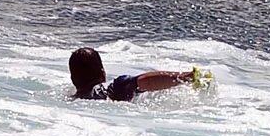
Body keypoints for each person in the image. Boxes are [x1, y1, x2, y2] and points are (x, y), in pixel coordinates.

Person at [68, 46, 207, 101]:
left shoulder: (72, 99)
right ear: (102, 73)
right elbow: (144, 81)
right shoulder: (113, 88)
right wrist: (187, 77)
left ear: (73, 79)